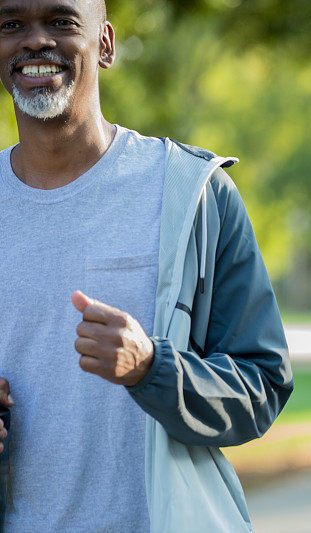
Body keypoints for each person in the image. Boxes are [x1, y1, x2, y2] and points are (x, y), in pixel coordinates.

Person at [0, 1, 293, 531]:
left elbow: (262, 385)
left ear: (106, 44)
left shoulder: (192, 193)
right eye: (11, 25)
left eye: (61, 22)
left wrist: (151, 368)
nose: (35, 41)